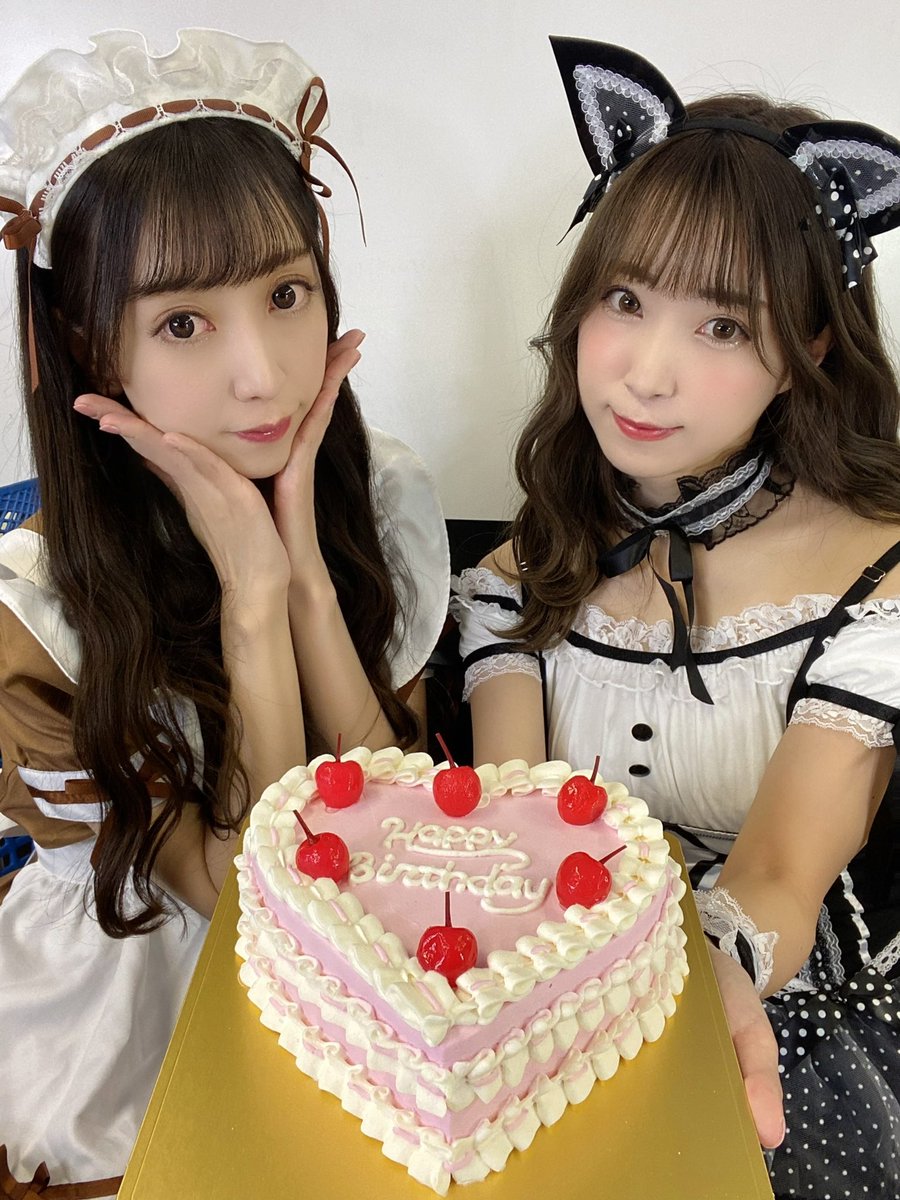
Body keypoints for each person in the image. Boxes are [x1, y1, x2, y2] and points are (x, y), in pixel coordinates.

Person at [0, 29, 449, 1196]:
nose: (262, 374)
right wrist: (252, 600)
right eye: (182, 323)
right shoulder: (33, 615)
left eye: (286, 295)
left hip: (352, 982)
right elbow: (250, 908)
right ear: (88, 342)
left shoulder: (380, 496)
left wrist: (306, 579)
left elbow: (388, 826)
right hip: (130, 1015)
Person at [453, 36, 900, 1200]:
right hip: (553, 1005)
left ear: (807, 350)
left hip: (785, 1013)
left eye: (724, 327)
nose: (646, 374)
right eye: (626, 299)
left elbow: (783, 866)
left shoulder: (882, 582)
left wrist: (696, 979)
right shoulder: (520, 572)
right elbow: (515, 834)